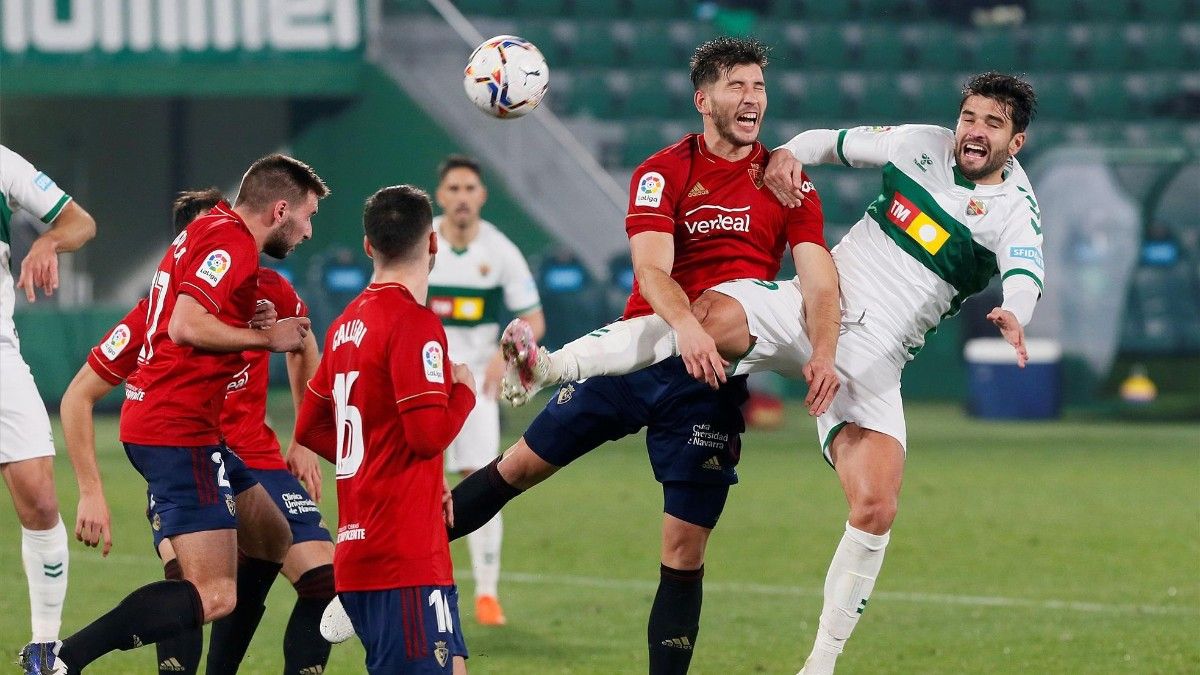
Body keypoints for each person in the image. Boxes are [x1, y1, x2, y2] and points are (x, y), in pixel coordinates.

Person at [503, 72, 1043, 674]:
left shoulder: (1016, 211)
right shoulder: (920, 142)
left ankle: (820, 664)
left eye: (992, 124)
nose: (973, 131)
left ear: (1015, 143)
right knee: (703, 313)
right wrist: (788, 156)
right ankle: (549, 366)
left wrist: (1015, 312)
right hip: (809, 306)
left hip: (874, 359)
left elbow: (1025, 272)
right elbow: (827, 142)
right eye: (970, 117)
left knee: (876, 507)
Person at [449, 37, 838, 675]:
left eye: (759, 87)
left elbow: (820, 282)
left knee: (684, 551)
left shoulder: (787, 182)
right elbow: (651, 270)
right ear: (703, 98)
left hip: (708, 384)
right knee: (516, 468)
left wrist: (823, 351)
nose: (751, 100)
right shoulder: (663, 171)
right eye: (737, 86)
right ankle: (376, 576)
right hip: (634, 358)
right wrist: (685, 325)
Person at [21, 154, 328, 675]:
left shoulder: (216, 232)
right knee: (212, 595)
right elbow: (186, 325)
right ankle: (59, 659)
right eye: (308, 215)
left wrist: (255, 318)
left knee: (273, 536)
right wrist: (263, 336)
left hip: (189, 429)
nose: (309, 230)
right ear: (280, 209)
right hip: (177, 431)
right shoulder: (227, 239)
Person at [294, 185, 476, 674]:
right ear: (432, 243)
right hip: (403, 558)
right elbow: (426, 436)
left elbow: (310, 426)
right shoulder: (414, 324)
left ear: (369, 246)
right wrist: (465, 391)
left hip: (367, 555)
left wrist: (381, 458)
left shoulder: (346, 323)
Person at [428, 154, 544, 626]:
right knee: (419, 479)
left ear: (482, 196)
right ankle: (425, 579)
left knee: (480, 479)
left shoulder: (499, 250)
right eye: (453, 189)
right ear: (441, 196)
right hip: (425, 378)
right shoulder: (424, 242)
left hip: (475, 382)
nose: (461, 197)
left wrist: (503, 356)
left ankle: (487, 592)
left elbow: (533, 319)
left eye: (469, 189)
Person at [1, 144, 97, 660]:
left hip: (0, 354)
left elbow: (80, 223)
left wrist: (48, 244)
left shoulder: (2, 163)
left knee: (40, 500)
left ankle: (42, 648)